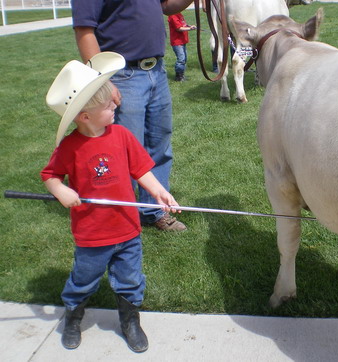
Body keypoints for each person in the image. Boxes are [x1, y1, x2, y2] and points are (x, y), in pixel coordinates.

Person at [41, 52, 181, 353]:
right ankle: (73, 316)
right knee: (83, 280)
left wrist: (158, 191)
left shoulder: (122, 135)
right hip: (92, 235)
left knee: (130, 279)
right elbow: (51, 175)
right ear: (84, 116)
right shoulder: (70, 148)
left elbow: (141, 169)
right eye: (108, 105)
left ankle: (130, 320)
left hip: (128, 229)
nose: (116, 104)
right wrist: (60, 190)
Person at [71, 0, 196, 232]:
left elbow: (167, 5)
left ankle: (153, 211)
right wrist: (102, 80)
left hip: (157, 71)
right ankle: (119, 215)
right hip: (121, 75)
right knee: (123, 150)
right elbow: (84, 29)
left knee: (159, 144)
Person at [168, 12, 196, 81]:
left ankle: (182, 75)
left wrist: (189, 26)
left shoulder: (179, 14)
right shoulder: (173, 15)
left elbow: (183, 24)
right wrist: (190, 29)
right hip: (177, 42)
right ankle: (179, 77)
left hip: (182, 41)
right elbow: (179, 28)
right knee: (181, 59)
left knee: (184, 58)